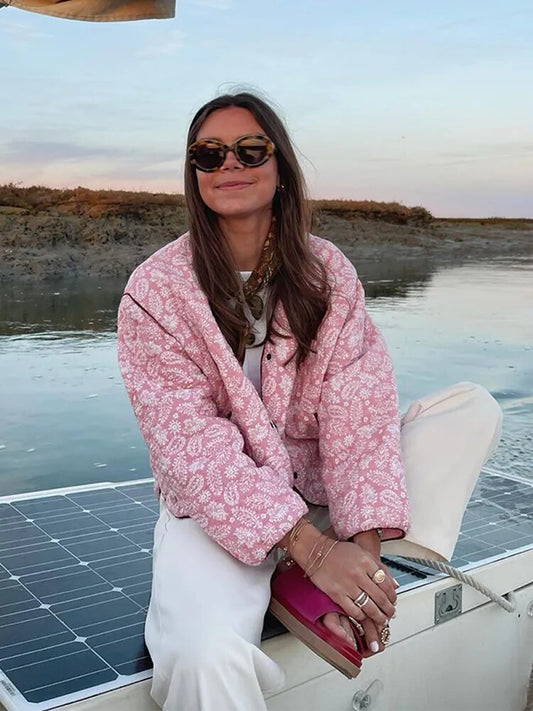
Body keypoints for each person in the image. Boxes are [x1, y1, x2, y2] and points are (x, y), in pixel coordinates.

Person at [117, 91, 502, 711]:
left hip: (324, 495)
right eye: (209, 154)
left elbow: (359, 413)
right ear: (194, 173)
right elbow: (190, 449)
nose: (229, 164)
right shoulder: (156, 291)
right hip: (216, 509)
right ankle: (287, 569)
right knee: (203, 656)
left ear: (280, 166)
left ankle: (323, 578)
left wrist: (360, 566)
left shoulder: (326, 271)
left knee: (472, 409)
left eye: (250, 149)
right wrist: (312, 550)